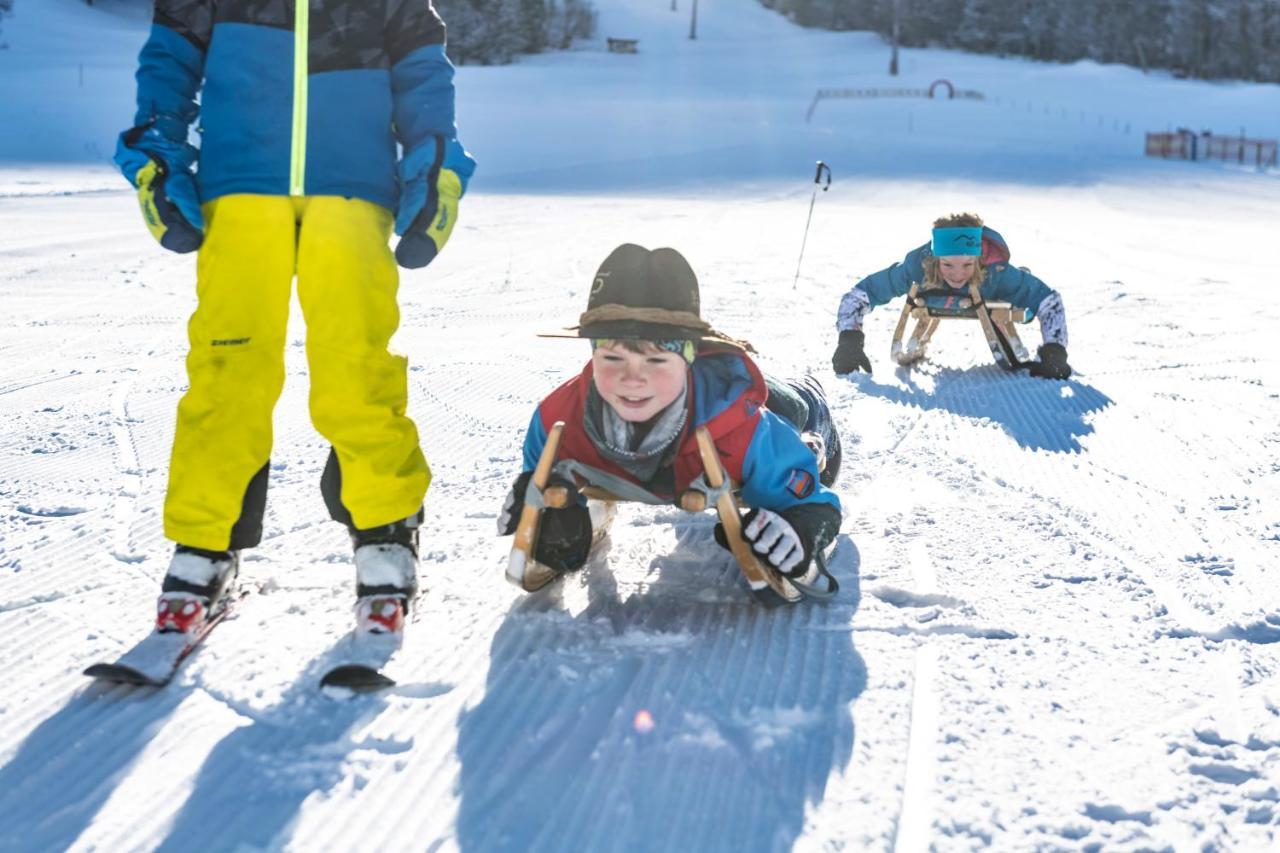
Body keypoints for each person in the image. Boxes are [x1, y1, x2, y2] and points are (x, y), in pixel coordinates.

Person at [115, 1, 476, 637]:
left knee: (356, 367)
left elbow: (425, 79)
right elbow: (167, 65)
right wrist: (159, 160)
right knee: (228, 369)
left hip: (354, 190)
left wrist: (432, 172)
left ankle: (386, 532)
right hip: (239, 188)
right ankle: (205, 541)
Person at [496, 244, 843, 602]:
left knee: (797, 406)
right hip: (694, 409)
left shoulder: (743, 430)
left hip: (777, 405)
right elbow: (538, 480)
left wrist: (802, 529)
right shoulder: (557, 421)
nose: (633, 379)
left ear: (689, 356)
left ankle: (809, 391)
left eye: (657, 360)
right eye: (613, 357)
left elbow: (818, 503)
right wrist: (551, 514)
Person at [831, 213, 1072, 379]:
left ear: (978, 259)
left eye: (967, 265)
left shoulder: (995, 271)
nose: (958, 275)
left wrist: (1055, 350)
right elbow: (864, 293)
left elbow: (1047, 300)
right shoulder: (917, 265)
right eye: (947, 265)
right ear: (936, 259)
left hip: (992, 293)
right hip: (937, 295)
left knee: (1021, 285)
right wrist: (849, 340)